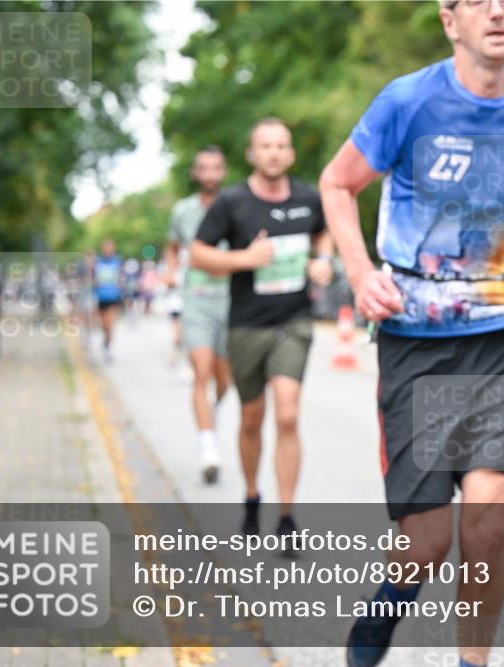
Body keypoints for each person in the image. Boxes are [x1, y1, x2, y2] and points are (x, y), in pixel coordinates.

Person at [319, 1, 504, 664]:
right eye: (478, 0)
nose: (496, 11)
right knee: (426, 542)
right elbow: (336, 183)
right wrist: (360, 273)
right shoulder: (407, 101)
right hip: (416, 341)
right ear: (450, 21)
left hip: (502, 338)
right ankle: (387, 603)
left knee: (488, 527)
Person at [191, 118, 333, 547]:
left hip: (293, 321)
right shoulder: (232, 202)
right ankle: (252, 496)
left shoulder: (310, 198)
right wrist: (244, 259)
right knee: (252, 418)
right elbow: (198, 254)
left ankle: (286, 517)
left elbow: (324, 235)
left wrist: (322, 260)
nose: (274, 153)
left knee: (287, 413)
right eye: (265, 146)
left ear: (290, 154)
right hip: (246, 324)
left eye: (281, 146)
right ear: (252, 154)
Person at [165, 146, 231, 485]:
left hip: (231, 300)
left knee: (223, 380)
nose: (209, 174)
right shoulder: (182, 211)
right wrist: (172, 272)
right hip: (196, 299)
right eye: (203, 168)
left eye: (215, 168)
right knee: (201, 372)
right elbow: (173, 246)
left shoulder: (234, 205)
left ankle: (211, 416)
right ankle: (208, 448)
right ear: (195, 173)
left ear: (223, 172)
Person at [93, 238, 123, 363]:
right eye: (106, 247)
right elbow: (92, 278)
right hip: (100, 297)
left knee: (110, 324)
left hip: (113, 297)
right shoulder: (97, 262)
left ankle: (108, 348)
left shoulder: (117, 261)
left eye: (110, 247)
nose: (108, 249)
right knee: (103, 325)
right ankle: (105, 342)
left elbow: (121, 278)